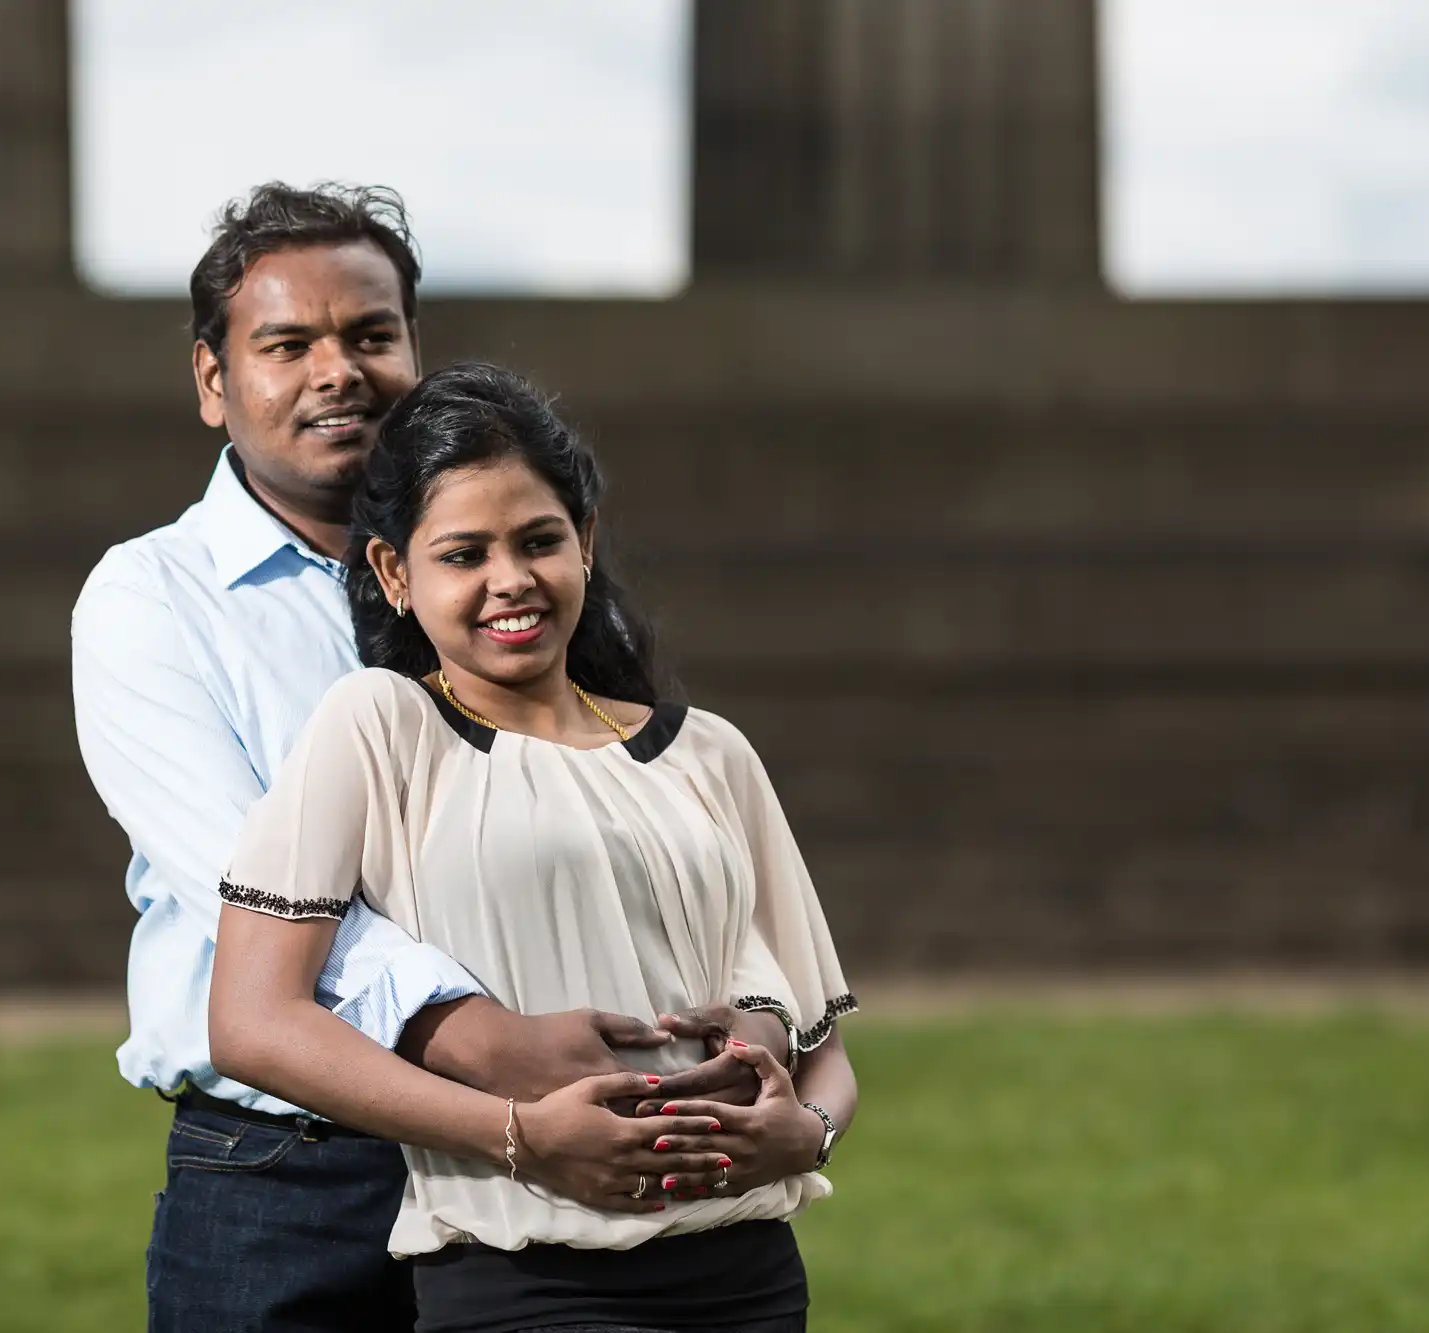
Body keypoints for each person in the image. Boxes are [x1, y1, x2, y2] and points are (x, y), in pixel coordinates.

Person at [71, 184, 791, 1333]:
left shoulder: (496, 584)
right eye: (286, 344)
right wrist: (481, 1042)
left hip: (546, 1168)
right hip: (290, 1172)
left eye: (370, 334)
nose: (337, 371)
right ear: (213, 380)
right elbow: (235, 891)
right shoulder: (151, 601)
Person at [208, 362, 861, 1333]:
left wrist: (804, 1135)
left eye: (538, 540)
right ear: (394, 573)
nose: (508, 579)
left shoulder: (708, 750)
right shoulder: (379, 727)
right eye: (462, 553)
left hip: (748, 1275)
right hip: (527, 1281)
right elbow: (251, 1023)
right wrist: (519, 1136)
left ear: (584, 543)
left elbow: (825, 1056)